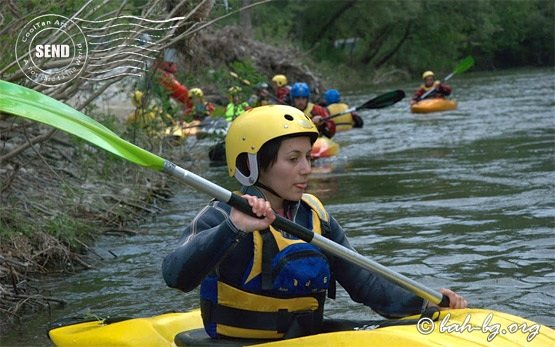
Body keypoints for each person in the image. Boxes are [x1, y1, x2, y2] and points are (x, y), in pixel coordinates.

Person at [162, 105, 468, 340]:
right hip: (235, 343)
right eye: (293, 159)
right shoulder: (222, 216)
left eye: (308, 157)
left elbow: (365, 282)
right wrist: (233, 228)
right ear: (250, 164)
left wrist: (425, 302)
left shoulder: (315, 216)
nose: (307, 168)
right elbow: (176, 275)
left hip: (303, 339)